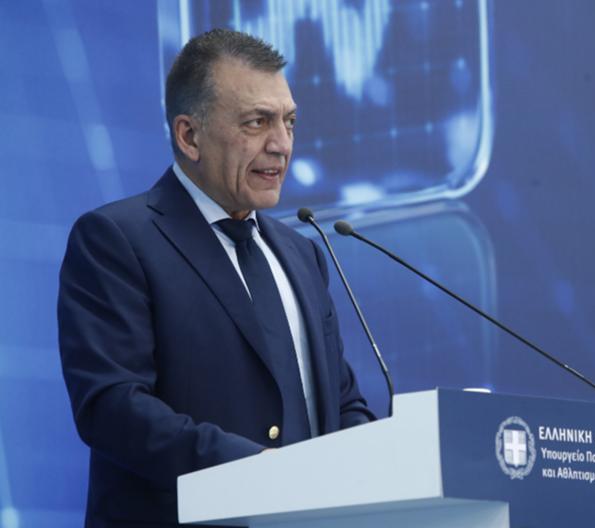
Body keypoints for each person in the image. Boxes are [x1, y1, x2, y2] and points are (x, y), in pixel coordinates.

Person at [58, 29, 375, 527]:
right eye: (257, 122)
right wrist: (256, 472)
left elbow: (342, 402)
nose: (282, 145)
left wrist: (377, 464)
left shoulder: (303, 254)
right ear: (189, 136)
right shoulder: (116, 240)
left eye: (289, 122)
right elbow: (113, 408)